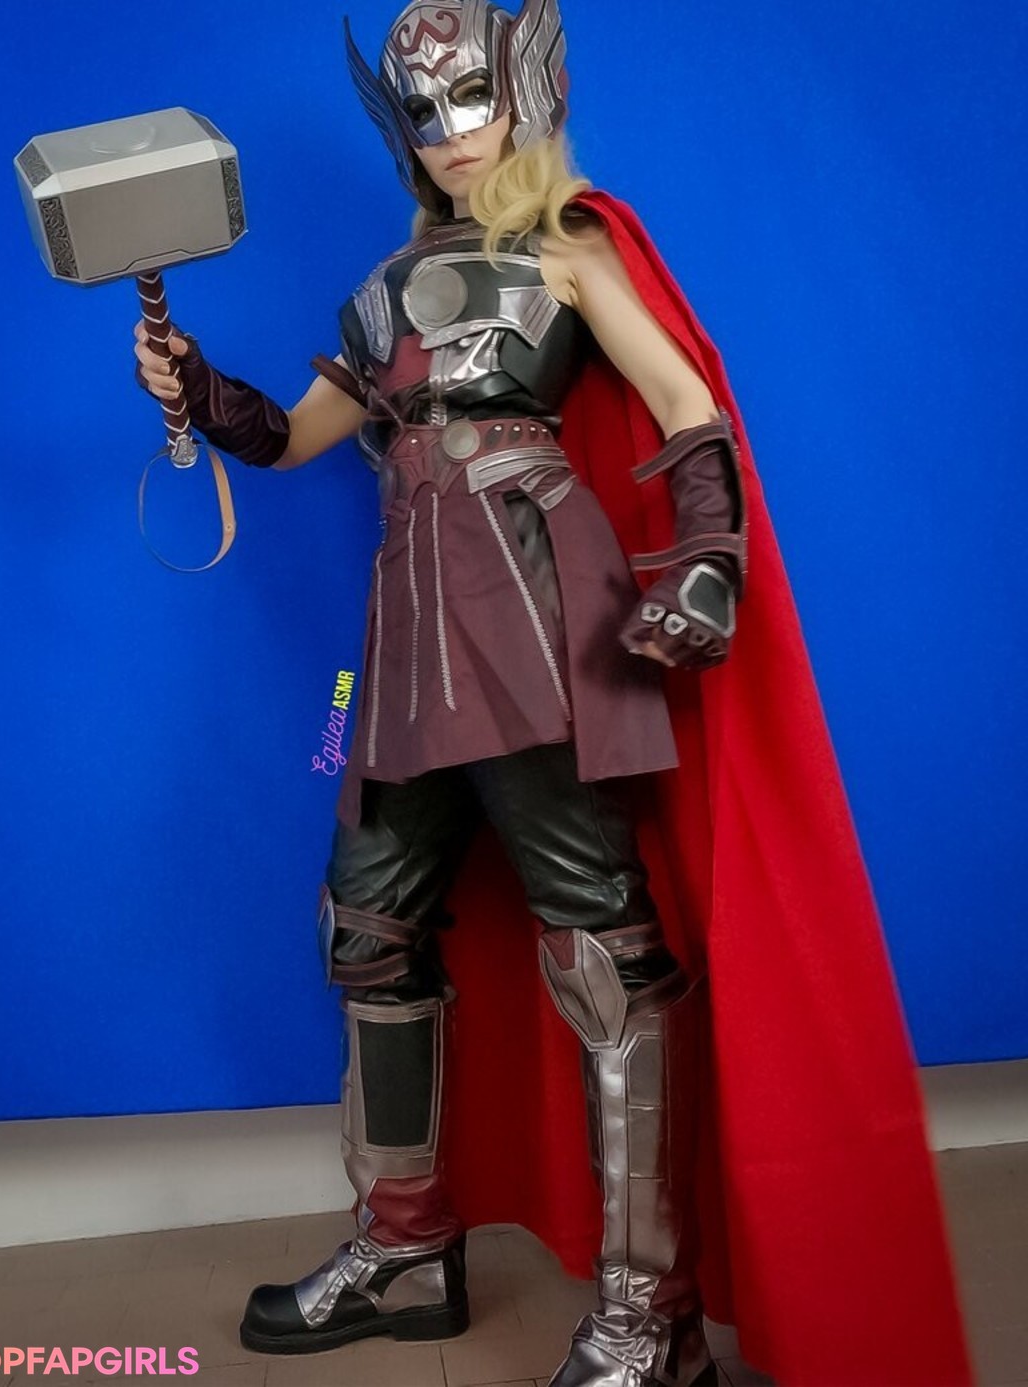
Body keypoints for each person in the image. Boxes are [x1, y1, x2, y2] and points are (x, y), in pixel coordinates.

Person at [134, 4, 975, 1385]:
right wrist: (195, 386)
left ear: (524, 97)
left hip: (536, 621)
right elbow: (289, 440)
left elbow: (686, 404)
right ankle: (406, 1247)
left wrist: (706, 562)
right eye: (421, 112)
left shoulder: (569, 248)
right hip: (404, 636)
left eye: (469, 100)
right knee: (368, 926)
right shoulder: (386, 286)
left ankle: (651, 1316)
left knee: (600, 947)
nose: (448, 133)